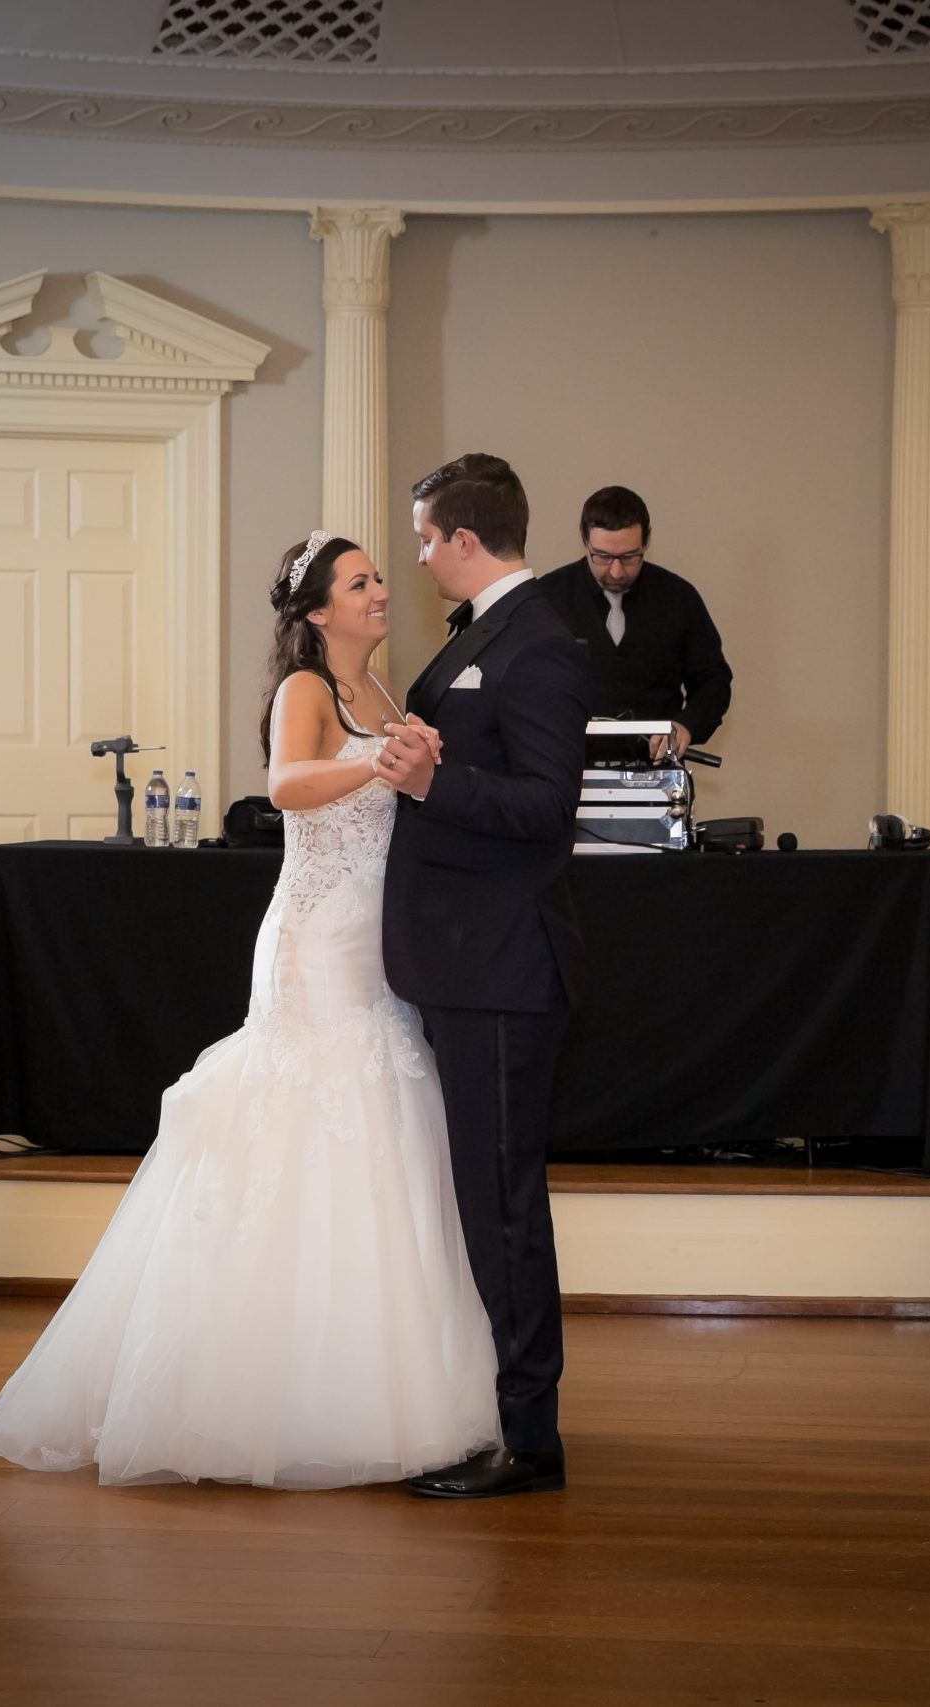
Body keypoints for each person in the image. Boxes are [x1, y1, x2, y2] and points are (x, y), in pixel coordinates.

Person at [0, 531, 501, 1490]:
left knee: (381, 1132)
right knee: (310, 1123)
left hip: (377, 945)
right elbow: (287, 786)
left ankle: (367, 1380)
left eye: (381, 575)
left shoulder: (389, 693)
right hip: (314, 944)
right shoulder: (309, 690)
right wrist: (379, 763)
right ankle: (246, 1392)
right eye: (359, 583)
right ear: (316, 613)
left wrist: (419, 757)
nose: (382, 590)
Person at [374, 453, 592, 1499]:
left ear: (464, 539)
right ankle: (488, 1412)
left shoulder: (540, 640)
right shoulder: (486, 634)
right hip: (462, 958)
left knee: (503, 1207)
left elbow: (551, 808)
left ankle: (530, 1441)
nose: (417, 557)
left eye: (423, 539)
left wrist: (436, 778)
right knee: (477, 1199)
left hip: (503, 966)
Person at [533, 484, 732, 758]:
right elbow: (522, 686)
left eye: (629, 557)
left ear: (646, 541)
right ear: (584, 539)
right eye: (602, 556)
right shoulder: (547, 599)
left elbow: (713, 681)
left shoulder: (678, 598)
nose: (616, 571)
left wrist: (686, 725)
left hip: (656, 769)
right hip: (566, 770)